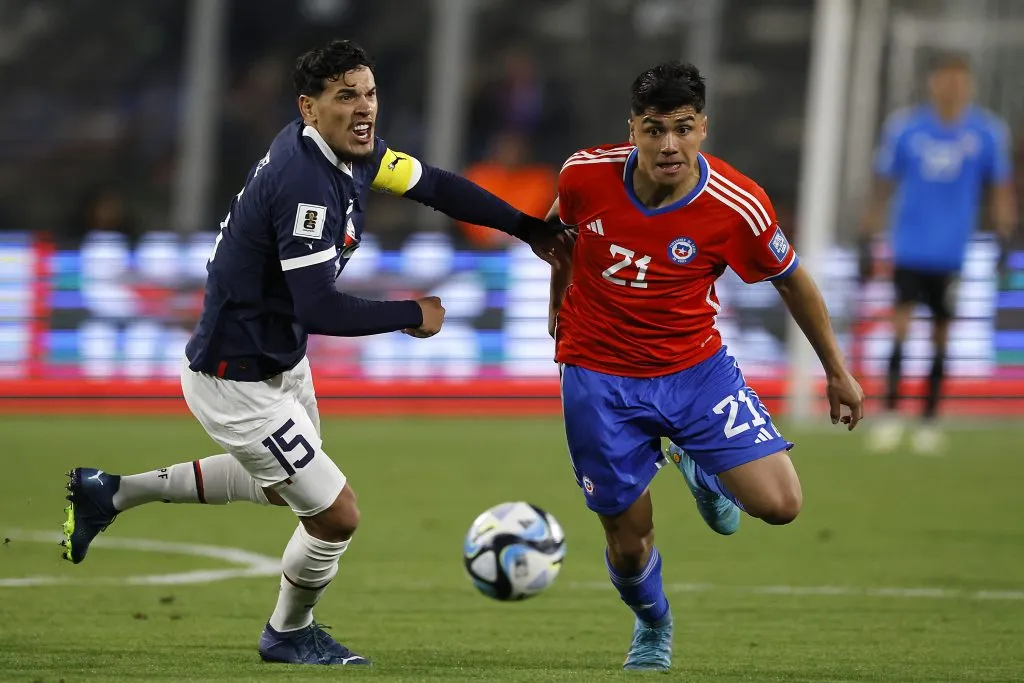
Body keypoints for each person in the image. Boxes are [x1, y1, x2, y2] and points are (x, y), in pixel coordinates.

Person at [60, 39, 565, 667]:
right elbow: (320, 308)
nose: (364, 108)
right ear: (309, 107)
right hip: (235, 377)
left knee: (285, 491)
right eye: (346, 96)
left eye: (370, 93)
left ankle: (110, 493)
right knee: (335, 515)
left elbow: (433, 184)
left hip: (279, 358)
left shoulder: (349, 153)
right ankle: (288, 634)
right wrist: (413, 313)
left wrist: (528, 228)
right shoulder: (305, 185)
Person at [546, 61, 864, 671]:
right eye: (654, 129)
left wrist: (836, 370)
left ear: (703, 129)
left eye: (683, 128)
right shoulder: (583, 174)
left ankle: (702, 466)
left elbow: (792, 281)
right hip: (598, 375)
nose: (669, 145)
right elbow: (559, 238)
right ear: (632, 130)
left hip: (694, 371)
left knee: (781, 504)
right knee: (628, 541)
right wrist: (557, 301)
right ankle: (653, 625)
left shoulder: (737, 205)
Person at [859, 53, 1017, 454]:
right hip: (909, 246)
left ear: (969, 86)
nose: (952, 88)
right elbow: (882, 183)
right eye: (945, 79)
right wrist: (868, 232)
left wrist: (1004, 233)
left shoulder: (986, 133)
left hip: (952, 252)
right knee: (899, 328)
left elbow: (999, 187)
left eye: (959, 81)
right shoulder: (906, 129)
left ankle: (928, 419)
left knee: (941, 335)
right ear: (933, 83)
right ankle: (890, 414)